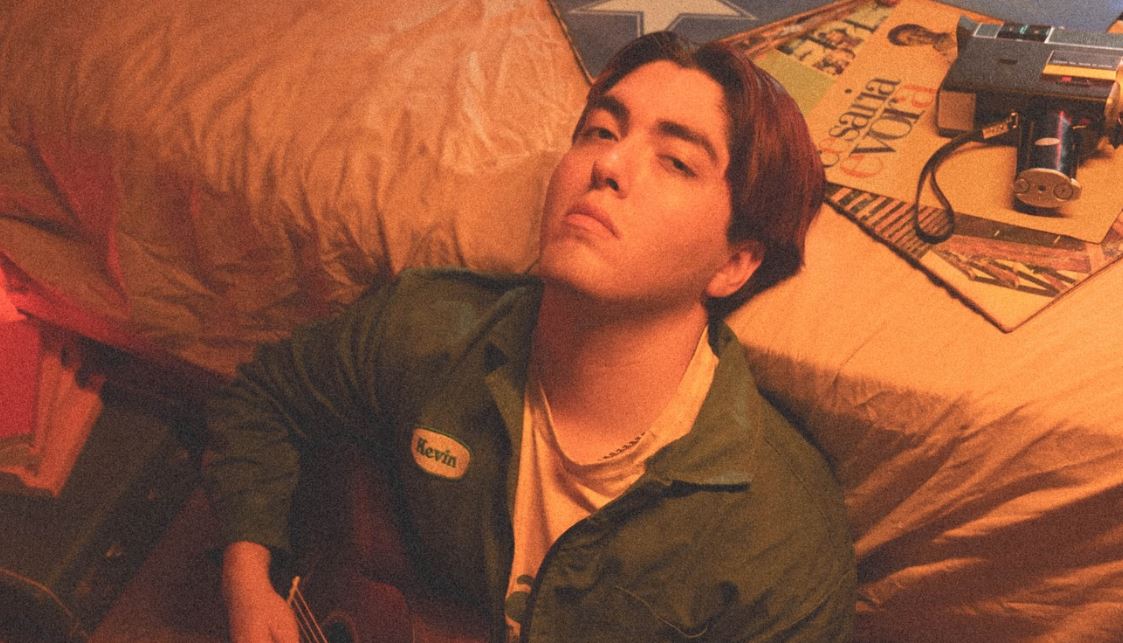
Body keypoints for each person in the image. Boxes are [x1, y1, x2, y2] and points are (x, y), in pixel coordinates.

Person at [203, 30, 855, 642]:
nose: (609, 164)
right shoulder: (430, 325)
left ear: (734, 263)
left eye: (676, 161)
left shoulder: (782, 539)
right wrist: (247, 578)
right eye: (600, 131)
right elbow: (265, 398)